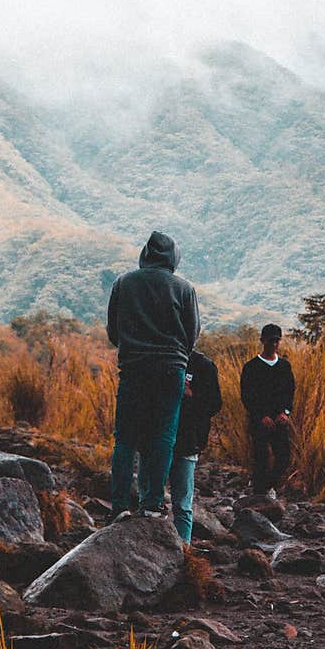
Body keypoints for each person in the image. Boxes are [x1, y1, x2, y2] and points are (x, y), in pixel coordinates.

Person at [106, 230, 200, 522]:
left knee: (125, 439)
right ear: (173, 258)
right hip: (171, 370)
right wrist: (176, 354)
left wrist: (133, 346)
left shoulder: (124, 283)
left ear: (145, 255)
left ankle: (120, 506)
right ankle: (152, 503)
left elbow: (113, 330)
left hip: (134, 368)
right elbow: (192, 333)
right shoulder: (184, 289)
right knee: (163, 437)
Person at [139, 348, 222, 543]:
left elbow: (214, 404)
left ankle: (184, 554)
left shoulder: (204, 365)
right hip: (153, 443)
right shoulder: (155, 360)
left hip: (187, 442)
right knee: (148, 502)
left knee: (183, 505)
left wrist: (190, 394)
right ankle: (145, 548)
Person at [240, 324, 295, 495]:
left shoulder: (285, 366)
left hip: (279, 420)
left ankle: (266, 488)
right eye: (271, 341)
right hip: (259, 422)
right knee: (261, 458)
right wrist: (260, 416)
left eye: (277, 341)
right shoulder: (251, 367)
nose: (274, 344)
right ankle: (258, 494)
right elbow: (247, 395)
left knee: (284, 457)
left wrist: (285, 413)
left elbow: (290, 392)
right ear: (262, 340)